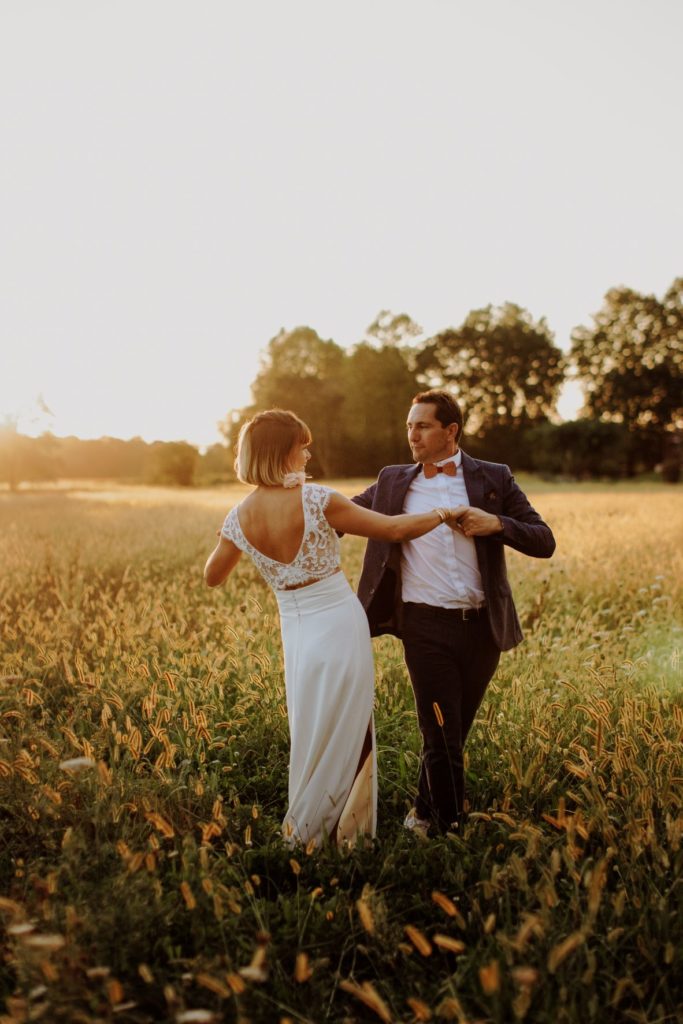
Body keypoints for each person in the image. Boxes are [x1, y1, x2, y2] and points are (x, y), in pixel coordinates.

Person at [204, 408, 467, 849]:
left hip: (296, 633)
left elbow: (213, 576)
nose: (307, 452)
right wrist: (443, 512)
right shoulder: (316, 500)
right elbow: (393, 529)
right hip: (340, 624)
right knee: (349, 726)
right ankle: (346, 836)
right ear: (282, 452)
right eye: (300, 445)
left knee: (310, 725)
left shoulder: (238, 516)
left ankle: (310, 827)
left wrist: (236, 536)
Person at [352, 389, 556, 836]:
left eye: (422, 425)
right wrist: (271, 504)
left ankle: (422, 815)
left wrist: (496, 524)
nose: (412, 434)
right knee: (441, 737)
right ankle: (448, 832)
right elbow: (340, 513)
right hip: (423, 624)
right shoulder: (392, 481)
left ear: (451, 431)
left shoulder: (494, 478)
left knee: (453, 734)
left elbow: (545, 540)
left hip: (484, 628)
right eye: (409, 425)